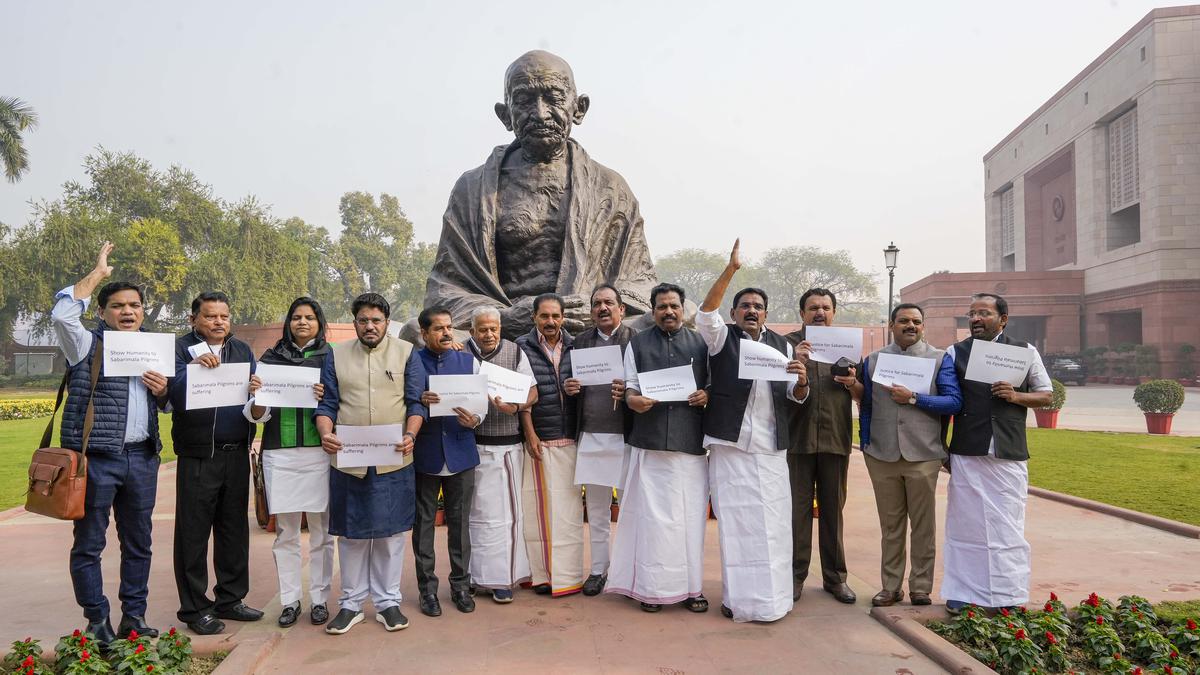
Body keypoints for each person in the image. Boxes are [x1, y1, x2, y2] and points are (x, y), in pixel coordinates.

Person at [424, 49, 657, 339]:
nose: (540, 113)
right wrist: (504, 317)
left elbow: (642, 284)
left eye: (554, 98)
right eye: (523, 101)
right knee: (415, 331)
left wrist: (598, 306)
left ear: (579, 108)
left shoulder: (610, 187)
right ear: (505, 114)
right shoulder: (472, 190)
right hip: (502, 329)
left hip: (588, 326)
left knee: (678, 313)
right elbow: (443, 290)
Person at [50, 242, 169, 646]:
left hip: (142, 458)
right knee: (89, 545)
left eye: (134, 305)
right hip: (96, 461)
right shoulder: (85, 344)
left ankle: (133, 617)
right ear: (102, 312)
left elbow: (168, 404)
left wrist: (163, 391)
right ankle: (97, 618)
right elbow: (63, 314)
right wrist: (97, 274)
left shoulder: (152, 349)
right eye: (117, 305)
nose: (128, 312)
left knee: (139, 544)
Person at [697, 241, 808, 622]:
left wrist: (803, 381)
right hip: (731, 445)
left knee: (773, 526)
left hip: (770, 449)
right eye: (745, 306)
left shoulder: (783, 346)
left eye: (758, 307)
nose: (751, 311)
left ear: (766, 314)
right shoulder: (722, 337)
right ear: (734, 312)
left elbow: (796, 394)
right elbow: (705, 311)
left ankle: (773, 601)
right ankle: (738, 600)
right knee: (737, 526)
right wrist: (730, 271)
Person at [315, 293, 422, 634]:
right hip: (350, 459)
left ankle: (388, 602)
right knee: (352, 534)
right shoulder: (336, 354)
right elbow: (327, 403)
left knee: (391, 534)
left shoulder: (407, 353)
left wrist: (411, 435)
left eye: (376, 320)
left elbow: (416, 403)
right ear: (355, 322)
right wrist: (325, 433)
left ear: (386, 323)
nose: (369, 326)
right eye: (363, 320)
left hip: (394, 457)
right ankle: (351, 603)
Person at [942, 293, 1052, 614]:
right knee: (965, 524)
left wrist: (1016, 397)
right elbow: (947, 399)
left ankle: (1008, 594)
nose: (976, 319)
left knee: (1008, 525)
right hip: (968, 449)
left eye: (984, 313)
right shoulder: (955, 352)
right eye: (972, 314)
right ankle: (962, 592)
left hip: (1008, 451)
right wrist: (941, 448)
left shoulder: (1025, 352)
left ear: (1002, 319)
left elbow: (1046, 395)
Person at [606, 283, 710, 613]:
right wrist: (633, 400)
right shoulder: (637, 343)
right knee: (650, 522)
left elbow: (711, 384)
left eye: (674, 306)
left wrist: (705, 394)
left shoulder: (701, 343)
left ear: (683, 309)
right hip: (649, 445)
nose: (668, 311)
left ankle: (692, 588)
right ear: (652, 311)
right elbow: (630, 387)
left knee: (689, 521)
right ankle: (650, 590)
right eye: (662, 306)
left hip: (688, 446)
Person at [169, 291, 263, 635]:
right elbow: (169, 394)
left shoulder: (241, 350)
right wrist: (192, 369)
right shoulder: (180, 350)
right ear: (194, 318)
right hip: (197, 455)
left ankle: (231, 598)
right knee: (193, 534)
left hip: (235, 451)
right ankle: (195, 608)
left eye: (224, 316)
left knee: (233, 530)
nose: (218, 322)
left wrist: (257, 389)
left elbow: (256, 400)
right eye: (210, 316)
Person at [857, 303, 961, 607]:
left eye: (916, 321)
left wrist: (914, 398)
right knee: (891, 527)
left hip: (923, 454)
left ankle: (920, 587)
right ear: (892, 325)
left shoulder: (939, 359)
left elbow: (953, 402)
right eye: (904, 321)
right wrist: (866, 443)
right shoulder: (874, 360)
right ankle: (890, 586)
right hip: (882, 453)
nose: (910, 326)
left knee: (923, 525)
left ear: (923, 326)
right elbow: (867, 404)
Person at [243, 297, 334, 627]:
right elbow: (256, 414)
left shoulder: (330, 357)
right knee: (286, 532)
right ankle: (290, 600)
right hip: (279, 452)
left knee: (323, 532)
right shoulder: (270, 358)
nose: (303, 322)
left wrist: (330, 397)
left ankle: (321, 599)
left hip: (320, 453)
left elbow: (341, 403)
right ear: (288, 322)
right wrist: (256, 396)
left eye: (310, 317)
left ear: (319, 322)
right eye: (296, 317)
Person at [784, 289, 859, 604]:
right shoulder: (786, 344)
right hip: (796, 440)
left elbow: (862, 395)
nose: (819, 312)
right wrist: (794, 360)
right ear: (802, 313)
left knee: (832, 511)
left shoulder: (847, 346)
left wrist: (853, 382)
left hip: (834, 439)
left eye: (825, 307)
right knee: (797, 513)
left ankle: (835, 578)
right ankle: (794, 577)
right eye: (813, 307)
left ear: (834, 312)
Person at [409, 306, 485, 617]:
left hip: (460, 450)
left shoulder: (468, 360)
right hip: (425, 453)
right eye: (438, 328)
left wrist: (475, 419)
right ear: (424, 333)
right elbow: (404, 401)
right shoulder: (412, 361)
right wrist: (420, 401)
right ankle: (427, 590)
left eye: (449, 327)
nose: (446, 333)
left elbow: (482, 402)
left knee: (460, 524)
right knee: (424, 525)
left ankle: (460, 586)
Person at [464, 307, 536, 602]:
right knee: (475, 515)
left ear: (501, 328)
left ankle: (502, 579)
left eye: (493, 328)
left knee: (506, 517)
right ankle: (473, 576)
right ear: (472, 332)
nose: (489, 334)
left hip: (507, 448)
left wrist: (517, 407)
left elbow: (532, 391)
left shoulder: (515, 352)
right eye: (482, 329)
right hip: (472, 447)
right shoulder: (462, 354)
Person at [569, 284, 637, 596]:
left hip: (627, 437)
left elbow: (647, 384)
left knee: (628, 508)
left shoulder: (637, 340)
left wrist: (630, 392)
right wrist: (569, 388)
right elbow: (569, 384)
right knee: (596, 510)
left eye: (609, 303)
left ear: (622, 309)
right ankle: (598, 570)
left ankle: (626, 572)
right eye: (597, 303)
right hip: (591, 435)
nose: (603, 308)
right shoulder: (581, 341)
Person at [516, 293, 583, 596]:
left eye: (556, 316)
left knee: (567, 514)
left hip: (570, 438)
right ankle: (541, 576)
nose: (551, 322)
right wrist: (531, 435)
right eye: (544, 316)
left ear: (563, 318)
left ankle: (567, 577)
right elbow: (522, 399)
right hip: (538, 440)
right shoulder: (520, 348)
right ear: (534, 318)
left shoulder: (576, 346)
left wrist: (577, 390)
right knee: (535, 511)